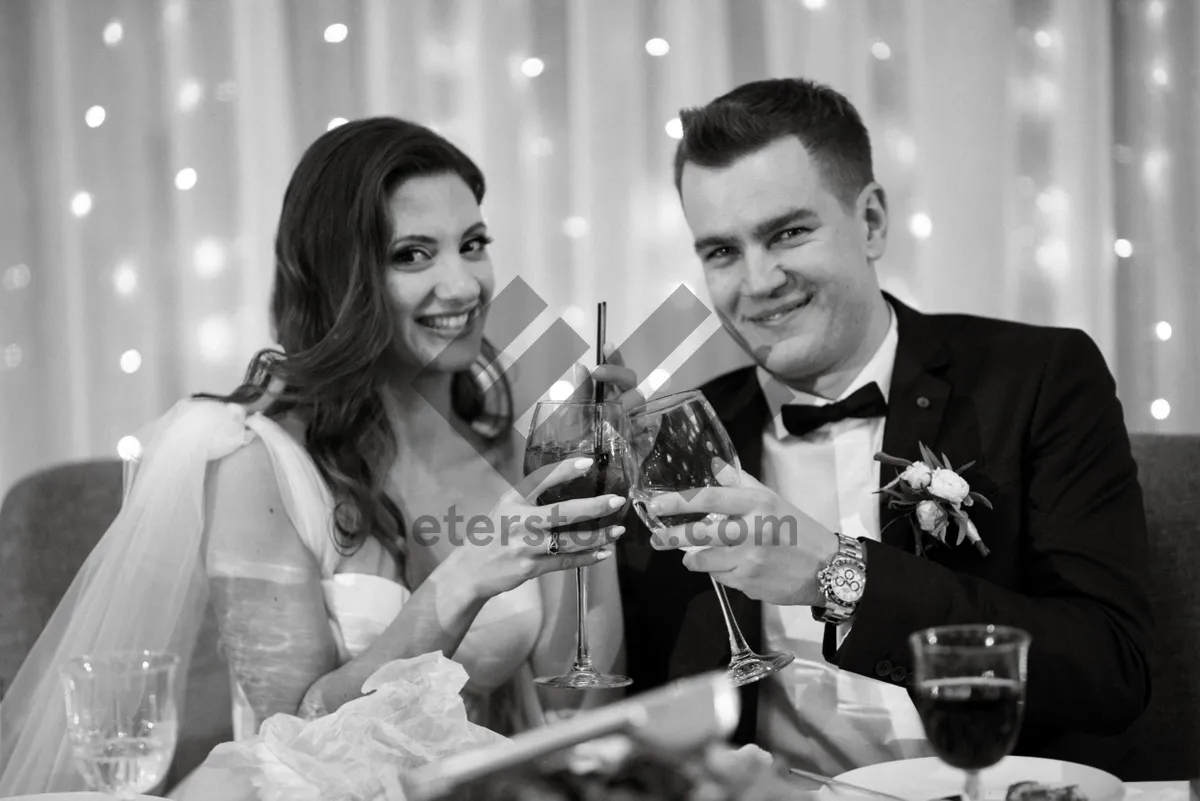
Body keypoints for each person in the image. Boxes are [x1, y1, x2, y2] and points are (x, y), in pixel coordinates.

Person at [0, 117, 641, 795]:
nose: (462, 285)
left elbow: (574, 711)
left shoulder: (512, 448)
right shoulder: (258, 463)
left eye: (472, 244)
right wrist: (459, 585)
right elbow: (297, 733)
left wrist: (595, 502)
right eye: (413, 255)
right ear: (341, 277)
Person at [616, 77, 1153, 778]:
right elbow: (647, 701)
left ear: (870, 222)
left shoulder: (1038, 377)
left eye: (788, 232)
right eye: (721, 251)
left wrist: (840, 574)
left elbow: (1110, 667)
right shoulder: (687, 437)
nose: (757, 280)